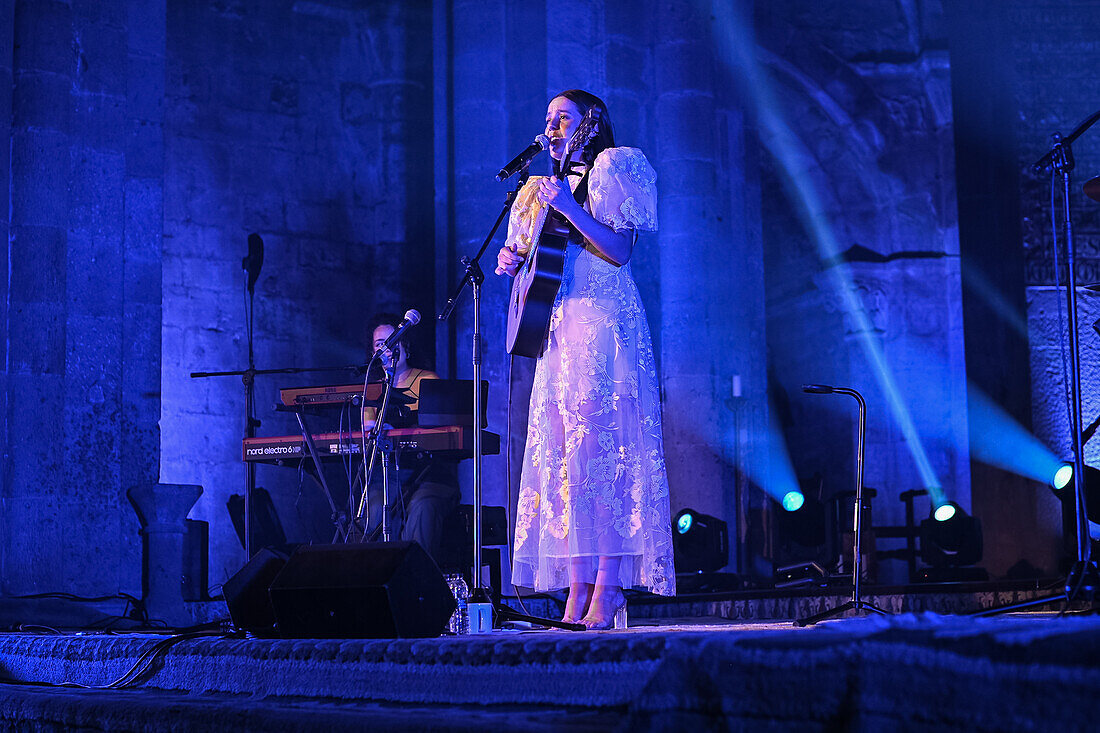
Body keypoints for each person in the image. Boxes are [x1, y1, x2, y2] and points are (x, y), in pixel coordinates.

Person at [496, 90, 676, 629]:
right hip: (558, 328)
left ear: (590, 122)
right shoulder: (535, 189)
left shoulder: (614, 168)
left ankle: (609, 588)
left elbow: (618, 251)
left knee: (606, 458)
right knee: (567, 463)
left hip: (603, 320)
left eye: (563, 117)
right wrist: (511, 259)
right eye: (546, 117)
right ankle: (575, 591)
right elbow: (534, 257)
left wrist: (570, 208)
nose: (551, 125)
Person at [359, 313, 460, 564]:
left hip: (430, 474)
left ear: (406, 345)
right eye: (380, 343)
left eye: (394, 340)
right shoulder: (371, 389)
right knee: (373, 509)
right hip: (389, 475)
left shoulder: (427, 380)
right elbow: (367, 427)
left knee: (422, 507)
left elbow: (438, 431)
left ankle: (418, 580)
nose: (387, 348)